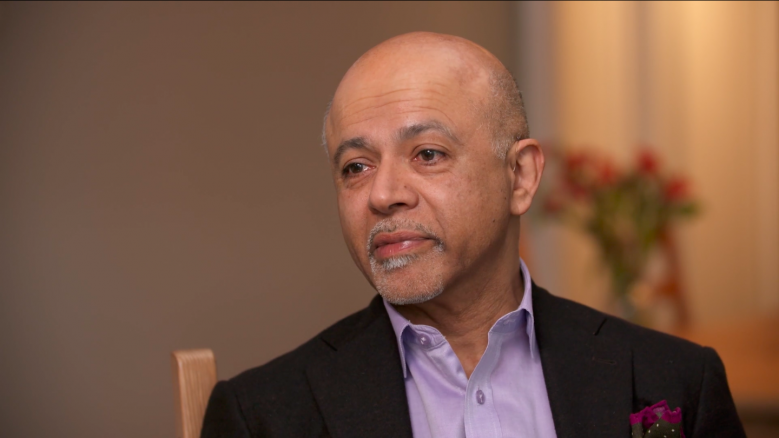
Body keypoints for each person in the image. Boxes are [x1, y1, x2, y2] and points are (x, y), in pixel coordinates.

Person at [201, 32, 745, 438]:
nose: (383, 193)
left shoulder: (675, 380)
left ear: (521, 176)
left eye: (428, 154)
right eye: (355, 167)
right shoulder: (262, 416)